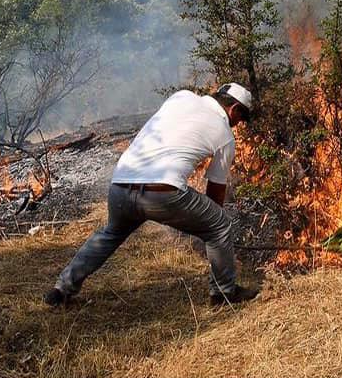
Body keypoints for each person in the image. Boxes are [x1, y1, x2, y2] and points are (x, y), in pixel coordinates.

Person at [44, 83, 260, 307]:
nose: (238, 125)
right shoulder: (225, 134)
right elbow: (215, 193)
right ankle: (224, 294)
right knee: (221, 224)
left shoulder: (181, 97)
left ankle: (62, 289)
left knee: (110, 233)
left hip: (121, 185)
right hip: (162, 193)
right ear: (234, 109)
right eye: (241, 119)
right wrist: (208, 228)